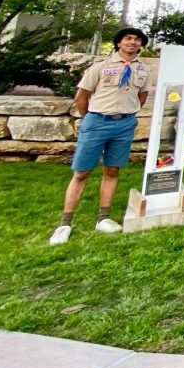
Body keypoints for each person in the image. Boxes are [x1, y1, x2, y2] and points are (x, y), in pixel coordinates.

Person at [49, 27, 153, 245]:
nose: (132, 43)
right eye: (128, 39)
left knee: (112, 169)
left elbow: (141, 95)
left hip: (124, 123)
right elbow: (82, 96)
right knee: (82, 172)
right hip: (97, 121)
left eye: (137, 40)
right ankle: (65, 223)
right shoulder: (100, 67)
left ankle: (103, 218)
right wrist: (90, 118)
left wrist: (128, 112)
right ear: (118, 43)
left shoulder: (143, 70)